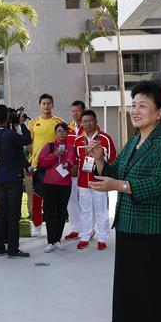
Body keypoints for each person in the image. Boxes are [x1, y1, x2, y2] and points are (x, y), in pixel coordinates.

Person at [87, 81, 161, 322]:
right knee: (137, 297)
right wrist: (101, 160)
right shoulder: (133, 142)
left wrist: (119, 186)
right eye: (134, 104)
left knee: (156, 297)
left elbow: (158, 184)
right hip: (129, 229)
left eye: (143, 105)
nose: (135, 110)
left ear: (160, 112)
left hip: (155, 233)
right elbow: (117, 172)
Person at [0, 104, 32, 258]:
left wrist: (13, 125)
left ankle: (0, 247)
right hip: (14, 178)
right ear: (6, 118)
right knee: (14, 214)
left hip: (1, 178)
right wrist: (21, 124)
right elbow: (27, 139)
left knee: (2, 213)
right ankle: (13, 248)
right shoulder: (11, 135)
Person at [74, 110, 115, 250]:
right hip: (83, 182)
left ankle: (102, 238)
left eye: (90, 120)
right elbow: (75, 160)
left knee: (101, 210)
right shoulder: (78, 140)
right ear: (82, 123)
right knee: (85, 210)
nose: (87, 123)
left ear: (96, 121)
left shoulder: (105, 138)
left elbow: (112, 159)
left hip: (99, 180)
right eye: (84, 121)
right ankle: (85, 236)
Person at [28, 94, 65, 238]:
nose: (46, 106)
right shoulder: (33, 123)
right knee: (36, 197)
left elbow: (63, 140)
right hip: (38, 166)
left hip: (55, 166)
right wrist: (33, 159)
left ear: (52, 105)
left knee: (53, 199)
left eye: (49, 103)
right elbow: (29, 143)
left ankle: (53, 226)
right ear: (40, 105)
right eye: (44, 103)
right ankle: (37, 225)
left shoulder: (59, 122)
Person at [37, 123, 78, 253]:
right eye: (59, 131)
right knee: (50, 213)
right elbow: (42, 162)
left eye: (64, 131)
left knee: (61, 214)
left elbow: (71, 160)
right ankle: (50, 241)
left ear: (67, 133)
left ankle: (57, 240)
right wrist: (55, 155)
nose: (62, 133)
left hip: (65, 184)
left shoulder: (70, 147)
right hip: (50, 184)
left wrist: (68, 164)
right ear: (55, 133)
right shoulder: (49, 146)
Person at [64, 100, 86, 241]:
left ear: (83, 111)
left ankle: (88, 229)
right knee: (71, 199)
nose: (75, 114)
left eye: (77, 111)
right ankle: (76, 228)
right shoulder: (67, 128)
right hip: (71, 170)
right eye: (73, 111)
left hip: (85, 169)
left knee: (85, 200)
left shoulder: (91, 126)